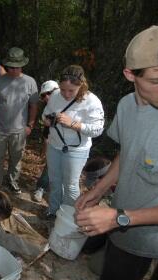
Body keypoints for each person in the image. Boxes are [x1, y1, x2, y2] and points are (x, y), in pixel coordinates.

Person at [75, 25, 158, 280]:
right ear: (130, 74)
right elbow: (129, 154)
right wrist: (99, 189)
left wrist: (120, 218)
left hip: (152, 247)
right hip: (119, 232)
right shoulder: (127, 106)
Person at [42, 65, 104, 216]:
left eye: (71, 91)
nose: (66, 94)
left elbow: (98, 130)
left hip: (76, 150)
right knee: (54, 181)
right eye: (63, 89)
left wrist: (73, 124)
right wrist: (48, 120)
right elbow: (45, 114)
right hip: (55, 145)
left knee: (70, 185)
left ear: (81, 86)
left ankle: (70, 216)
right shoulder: (56, 95)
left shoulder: (91, 101)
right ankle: (54, 211)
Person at [0, 47, 39, 193]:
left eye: (17, 67)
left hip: (20, 130)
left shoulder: (30, 82)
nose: (14, 70)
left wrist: (30, 125)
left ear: (22, 65)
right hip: (0, 129)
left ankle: (12, 181)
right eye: (11, 67)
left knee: (16, 159)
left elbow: (34, 105)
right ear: (7, 65)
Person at [33, 80, 59, 202]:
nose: (45, 98)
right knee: (50, 165)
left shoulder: (73, 103)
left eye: (48, 93)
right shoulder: (48, 109)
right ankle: (41, 187)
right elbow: (46, 132)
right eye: (43, 96)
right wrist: (45, 147)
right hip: (54, 142)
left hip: (72, 145)